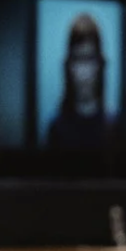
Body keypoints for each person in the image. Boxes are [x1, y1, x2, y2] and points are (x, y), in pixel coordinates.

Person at [44, 12, 113, 153]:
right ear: (68, 66)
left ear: (100, 65)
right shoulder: (56, 128)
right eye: (78, 60)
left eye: (90, 59)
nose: (84, 74)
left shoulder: (113, 126)